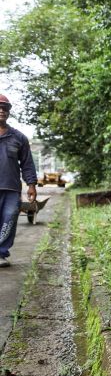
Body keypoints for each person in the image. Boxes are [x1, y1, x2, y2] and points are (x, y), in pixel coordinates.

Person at [0, 94, 37, 268]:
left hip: (11, 189)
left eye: (5, 108)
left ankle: (1, 253)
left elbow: (27, 163)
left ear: (9, 112)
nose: (2, 111)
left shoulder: (18, 137)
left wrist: (31, 185)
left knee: (9, 218)